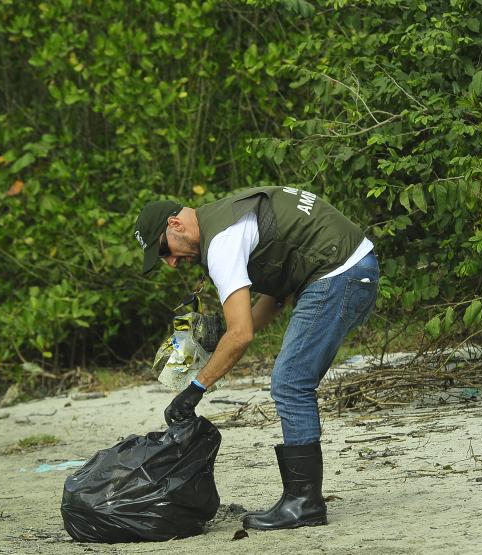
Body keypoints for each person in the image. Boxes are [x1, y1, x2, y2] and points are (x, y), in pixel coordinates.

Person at [133, 185, 379, 531]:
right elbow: (273, 299)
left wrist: (195, 388)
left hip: (340, 273)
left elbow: (242, 335)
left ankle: (304, 503)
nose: (171, 263)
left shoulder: (222, 242)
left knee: (291, 382)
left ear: (176, 224)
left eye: (164, 251)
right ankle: (302, 499)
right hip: (352, 267)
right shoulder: (226, 217)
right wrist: (226, 336)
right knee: (293, 380)